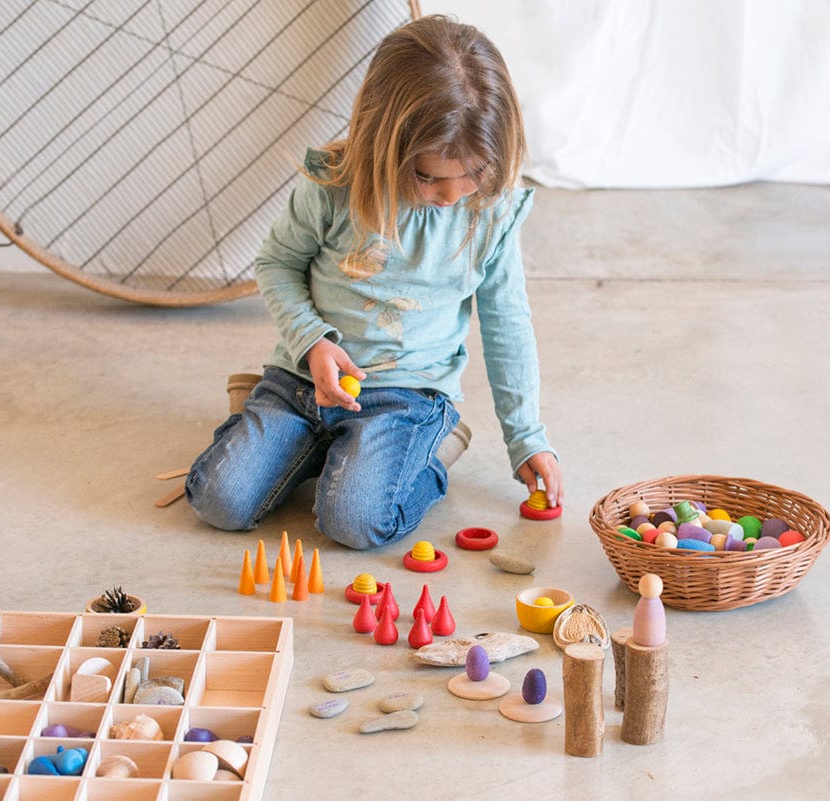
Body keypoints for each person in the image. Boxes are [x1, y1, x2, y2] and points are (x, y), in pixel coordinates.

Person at [185, 15, 562, 549]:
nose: (452, 195)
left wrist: (526, 437)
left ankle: (433, 444)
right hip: (301, 381)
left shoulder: (492, 211)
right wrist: (312, 341)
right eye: (429, 176)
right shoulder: (333, 183)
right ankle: (324, 443)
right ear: (383, 144)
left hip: (407, 393)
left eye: (473, 172)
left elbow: (507, 323)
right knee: (218, 500)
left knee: (354, 522)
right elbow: (276, 264)